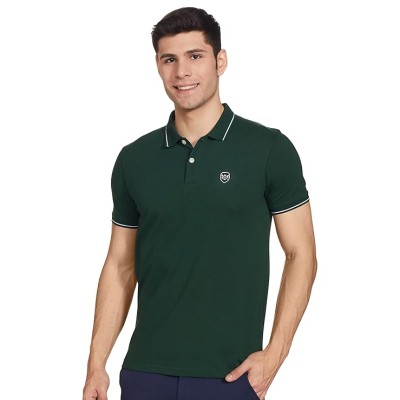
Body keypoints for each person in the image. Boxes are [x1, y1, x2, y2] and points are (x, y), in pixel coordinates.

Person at [82, 7, 317, 400]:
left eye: (195, 56)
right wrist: (96, 365)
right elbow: (120, 265)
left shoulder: (268, 149)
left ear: (220, 61)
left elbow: (301, 253)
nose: (182, 72)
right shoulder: (134, 159)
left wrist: (275, 355)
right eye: (169, 59)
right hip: (144, 373)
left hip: (231, 375)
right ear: (158, 66)